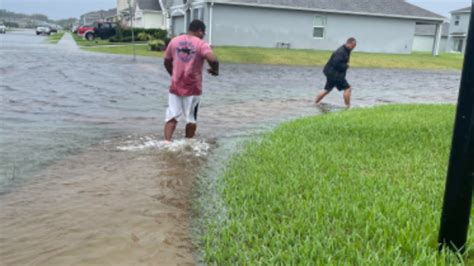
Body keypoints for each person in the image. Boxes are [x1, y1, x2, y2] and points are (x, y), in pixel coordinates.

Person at [163, 20, 219, 142]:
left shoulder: (174, 41)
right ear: (200, 31)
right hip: (193, 88)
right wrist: (215, 70)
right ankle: (188, 144)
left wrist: (174, 75)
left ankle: (166, 143)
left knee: (171, 117)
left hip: (176, 85)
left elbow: (166, 61)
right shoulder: (201, 44)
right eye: (203, 33)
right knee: (191, 118)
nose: (203, 35)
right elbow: (213, 60)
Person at [315, 38, 357, 108]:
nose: (353, 48)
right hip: (335, 74)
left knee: (327, 89)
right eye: (352, 46)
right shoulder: (340, 52)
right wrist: (346, 66)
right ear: (348, 43)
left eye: (354, 46)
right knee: (348, 88)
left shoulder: (346, 50)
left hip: (331, 73)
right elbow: (336, 64)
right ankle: (348, 107)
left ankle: (315, 103)